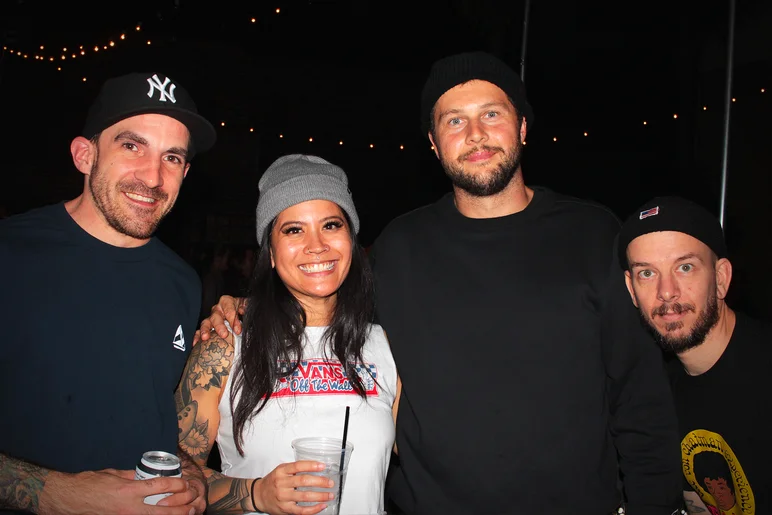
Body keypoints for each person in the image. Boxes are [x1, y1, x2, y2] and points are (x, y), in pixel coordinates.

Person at [200, 52, 683, 514]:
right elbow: (325, 305)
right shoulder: (401, 246)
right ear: (434, 142)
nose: (475, 134)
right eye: (454, 120)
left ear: (522, 126)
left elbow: (640, 401)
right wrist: (247, 305)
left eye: (491, 114)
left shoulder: (594, 235)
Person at [0, 72, 217, 515]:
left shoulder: (183, 280)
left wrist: (190, 474)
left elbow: (156, 410)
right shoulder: (10, 254)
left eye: (171, 157)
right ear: (85, 155)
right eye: (132, 145)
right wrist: (59, 495)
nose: (153, 177)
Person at [176, 155, 398, 515]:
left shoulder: (383, 346)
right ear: (272, 254)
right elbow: (173, 476)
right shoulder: (225, 344)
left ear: (351, 242)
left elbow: (431, 461)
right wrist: (256, 494)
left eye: (331, 225)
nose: (316, 246)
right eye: (294, 230)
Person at [617, 196, 771, 515]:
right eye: (647, 273)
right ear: (631, 290)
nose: (667, 291)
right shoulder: (653, 394)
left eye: (685, 267)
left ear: (721, 278)